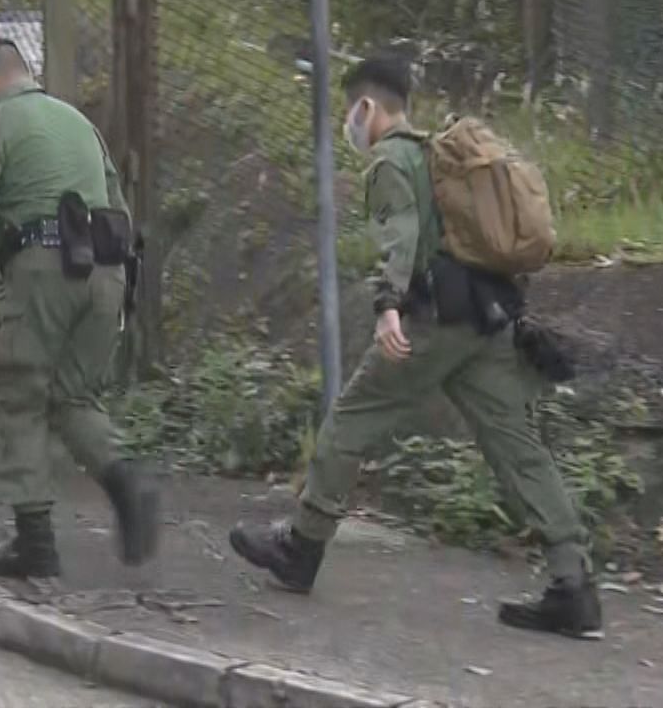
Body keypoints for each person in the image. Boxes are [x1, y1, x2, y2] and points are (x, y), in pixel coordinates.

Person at [229, 57, 602, 639]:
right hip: (486, 318)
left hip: (433, 320)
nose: (349, 124)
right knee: (517, 446)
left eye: (350, 111)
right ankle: (573, 584)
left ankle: (302, 546)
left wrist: (388, 307)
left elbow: (400, 235)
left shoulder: (390, 160)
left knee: (352, 418)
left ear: (367, 108)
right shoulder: (437, 156)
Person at [0, 36, 159, 578]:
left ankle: (34, 544)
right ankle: (128, 482)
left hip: (40, 271)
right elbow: (116, 202)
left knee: (21, 397)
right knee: (72, 395)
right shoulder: (78, 122)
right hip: (104, 273)